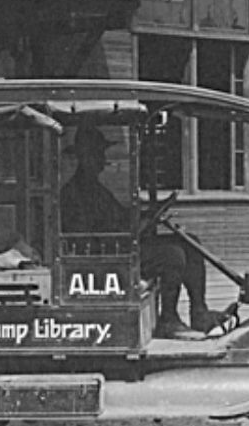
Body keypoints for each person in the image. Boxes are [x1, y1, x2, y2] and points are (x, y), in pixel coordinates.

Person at [60, 120, 229, 341]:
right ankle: (168, 320)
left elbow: (119, 217)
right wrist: (136, 226)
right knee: (172, 255)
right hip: (105, 258)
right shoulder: (74, 193)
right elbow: (93, 236)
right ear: (84, 157)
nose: (102, 159)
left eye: (101, 153)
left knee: (190, 242)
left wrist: (147, 215)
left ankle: (200, 313)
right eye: (97, 154)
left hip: (120, 247)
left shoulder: (96, 189)